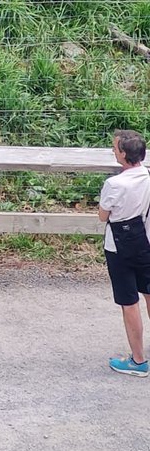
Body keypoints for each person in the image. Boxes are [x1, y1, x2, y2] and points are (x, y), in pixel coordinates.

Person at [99, 129, 150, 376]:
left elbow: (103, 216)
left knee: (129, 302)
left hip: (119, 246)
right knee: (149, 293)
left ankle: (138, 361)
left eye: (115, 148)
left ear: (123, 154)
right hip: (146, 241)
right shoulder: (148, 177)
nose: (113, 150)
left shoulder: (114, 184)